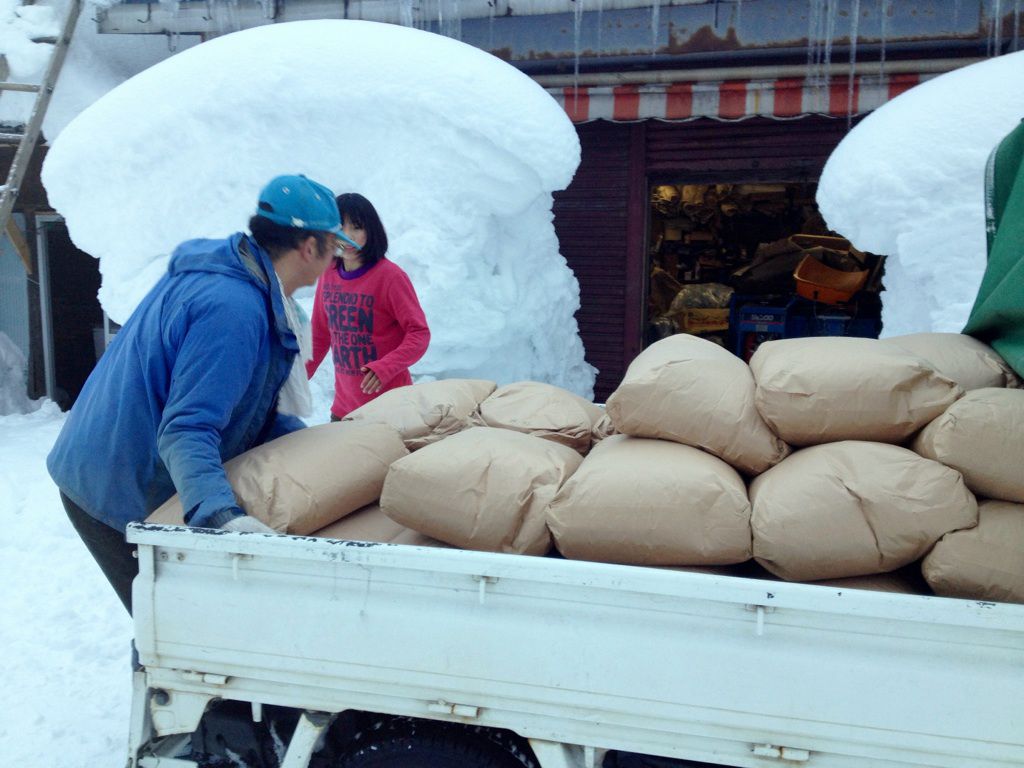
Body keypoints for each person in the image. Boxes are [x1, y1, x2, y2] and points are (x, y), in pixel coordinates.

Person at [47, 173, 349, 614]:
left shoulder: (249, 286)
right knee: (175, 627)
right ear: (309, 247)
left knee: (187, 622)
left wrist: (316, 452)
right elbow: (188, 427)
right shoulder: (232, 307)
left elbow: (250, 404)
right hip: (113, 482)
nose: (336, 258)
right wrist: (219, 515)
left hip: (132, 460)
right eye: (334, 246)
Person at [307, 193, 430, 419]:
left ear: (371, 230)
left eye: (356, 227)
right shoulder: (328, 274)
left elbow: (419, 334)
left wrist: (386, 366)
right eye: (340, 227)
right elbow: (319, 335)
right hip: (344, 412)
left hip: (392, 410)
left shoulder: (390, 277)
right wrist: (293, 381)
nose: (348, 236)